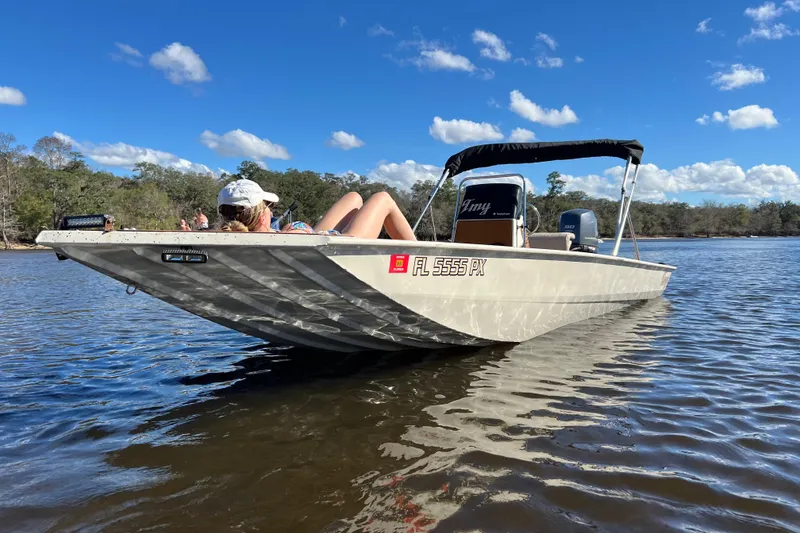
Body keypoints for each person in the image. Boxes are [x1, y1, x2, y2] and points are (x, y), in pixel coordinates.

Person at [217, 179, 416, 240]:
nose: (272, 211)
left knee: (354, 197)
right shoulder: (285, 237)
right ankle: (422, 258)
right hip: (344, 247)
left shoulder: (233, 237)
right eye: (270, 206)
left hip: (326, 239)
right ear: (261, 213)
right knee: (383, 199)